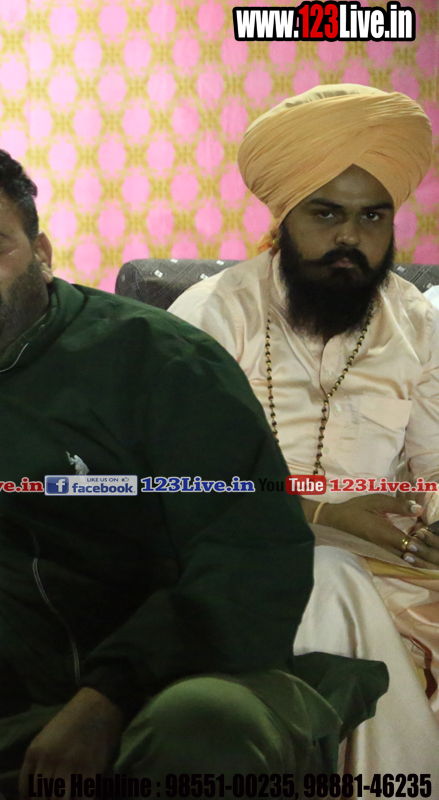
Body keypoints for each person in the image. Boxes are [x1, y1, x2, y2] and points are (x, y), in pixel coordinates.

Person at [0, 139, 387, 796]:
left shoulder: (159, 361)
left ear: (41, 255)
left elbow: (250, 556)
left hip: (187, 685)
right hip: (17, 711)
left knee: (205, 726)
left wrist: (107, 700)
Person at [169, 84, 439, 775]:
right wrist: (324, 514)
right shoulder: (213, 314)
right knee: (325, 574)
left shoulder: (417, 323)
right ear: (283, 216)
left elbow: (436, 466)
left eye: (372, 216)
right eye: (327, 214)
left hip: (396, 566)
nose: (351, 238)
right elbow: (180, 480)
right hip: (243, 558)